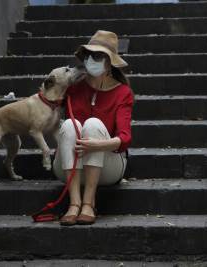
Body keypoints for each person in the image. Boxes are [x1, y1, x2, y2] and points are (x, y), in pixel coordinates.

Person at [52, 30, 134, 226]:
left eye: (98, 56)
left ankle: (89, 203)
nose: (91, 60)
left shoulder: (123, 92)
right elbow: (40, 105)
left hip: (108, 167)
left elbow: (125, 139)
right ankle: (74, 203)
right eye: (88, 55)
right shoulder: (73, 88)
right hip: (69, 167)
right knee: (71, 124)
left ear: (109, 63)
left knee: (93, 124)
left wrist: (98, 145)